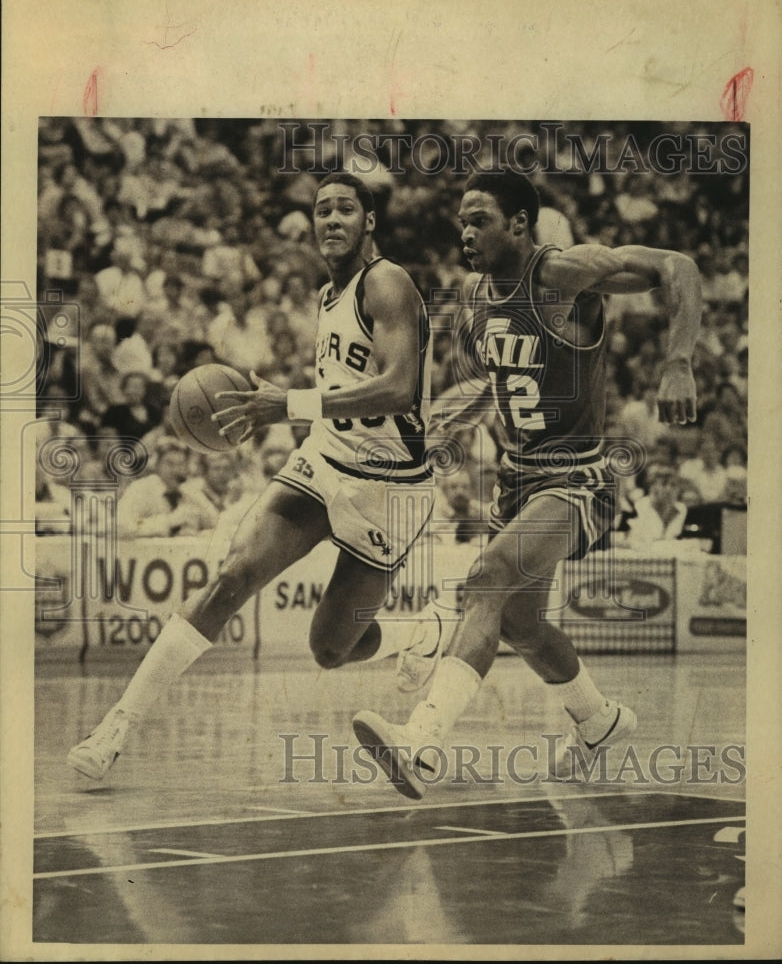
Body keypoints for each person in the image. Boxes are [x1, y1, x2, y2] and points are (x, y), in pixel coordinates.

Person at [67, 172, 435, 780]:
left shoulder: (388, 282)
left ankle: (416, 636)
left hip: (392, 488)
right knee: (232, 577)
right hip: (325, 460)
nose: (332, 219)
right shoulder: (326, 295)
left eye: (346, 208)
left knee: (329, 648)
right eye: (322, 210)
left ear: (370, 222)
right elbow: (343, 392)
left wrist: (287, 405)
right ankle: (117, 726)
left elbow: (398, 388)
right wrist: (292, 411)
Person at [352, 168, 701, 799]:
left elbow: (677, 265)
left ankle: (422, 743)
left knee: (487, 576)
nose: (465, 231)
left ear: (520, 224)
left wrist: (676, 361)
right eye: (461, 219)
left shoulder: (564, 275)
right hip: (517, 479)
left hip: (576, 477)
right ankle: (597, 720)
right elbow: (506, 384)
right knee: (519, 624)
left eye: (479, 218)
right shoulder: (477, 294)